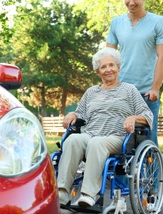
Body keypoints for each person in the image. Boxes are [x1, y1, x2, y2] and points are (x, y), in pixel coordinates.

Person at [57, 47, 153, 207]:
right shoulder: (91, 92)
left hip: (117, 138)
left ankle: (89, 194)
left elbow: (147, 116)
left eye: (111, 65)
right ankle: (62, 192)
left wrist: (133, 117)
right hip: (91, 133)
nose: (108, 69)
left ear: (118, 67)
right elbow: (81, 114)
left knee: (97, 143)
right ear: (98, 72)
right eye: (103, 67)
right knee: (73, 139)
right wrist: (73, 114)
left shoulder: (129, 90)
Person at [106, 0, 163, 146]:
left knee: (147, 142)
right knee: (119, 141)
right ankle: (121, 174)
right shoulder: (116, 23)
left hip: (146, 93)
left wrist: (155, 88)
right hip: (121, 91)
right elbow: (108, 57)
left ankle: (152, 173)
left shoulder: (158, 22)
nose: (131, 2)